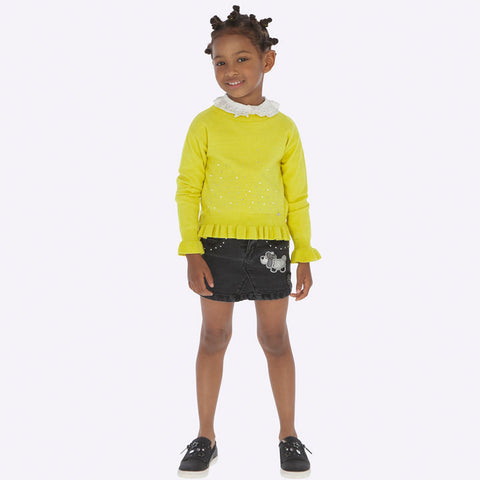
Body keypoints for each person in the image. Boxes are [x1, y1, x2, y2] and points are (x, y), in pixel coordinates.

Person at [175, 5, 321, 476]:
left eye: (242, 59)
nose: (230, 70)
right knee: (213, 336)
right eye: (220, 62)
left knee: (275, 338)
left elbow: (297, 197)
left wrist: (303, 253)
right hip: (215, 248)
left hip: (270, 249)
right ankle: (205, 436)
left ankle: (289, 435)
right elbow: (187, 189)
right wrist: (192, 249)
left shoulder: (284, 128)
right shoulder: (204, 124)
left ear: (267, 61)